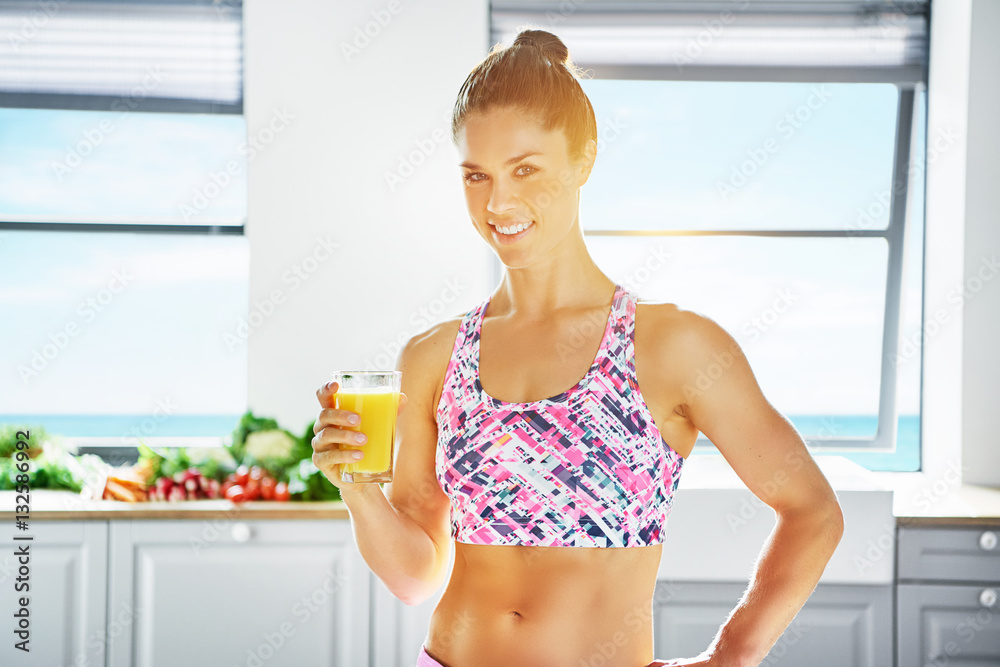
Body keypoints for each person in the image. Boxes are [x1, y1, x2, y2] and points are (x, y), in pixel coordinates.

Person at [312, 29, 844, 667]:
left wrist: (730, 657)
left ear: (584, 159)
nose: (498, 201)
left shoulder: (674, 346)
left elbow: (812, 510)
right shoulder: (432, 356)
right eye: (476, 175)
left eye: (526, 169)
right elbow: (414, 577)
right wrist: (357, 491)